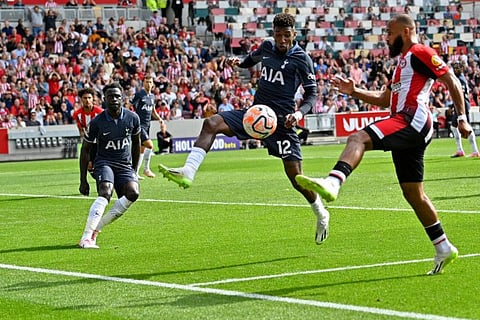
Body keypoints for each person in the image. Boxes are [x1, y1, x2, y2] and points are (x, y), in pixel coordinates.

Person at [295, 14, 473, 275]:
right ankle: (443, 247)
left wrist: (461, 118)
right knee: (413, 193)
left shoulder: (420, 52)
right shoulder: (402, 64)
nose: (386, 37)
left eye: (390, 32)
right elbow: (385, 99)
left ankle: (334, 181)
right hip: (404, 120)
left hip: (412, 119)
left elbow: (451, 80)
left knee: (357, 138)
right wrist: (354, 91)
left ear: (407, 30)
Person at [158, 13, 330, 245]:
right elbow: (252, 59)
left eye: (286, 35)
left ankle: (320, 213)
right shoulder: (267, 46)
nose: (281, 39)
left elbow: (312, 94)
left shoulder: (302, 59)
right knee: (211, 123)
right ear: (273, 33)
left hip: (281, 123)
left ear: (294, 35)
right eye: (278, 34)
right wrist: (239, 62)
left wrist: (298, 114)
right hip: (255, 115)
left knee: (297, 178)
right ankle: (189, 171)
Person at [78, 82, 141, 249]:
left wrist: (134, 171)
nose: (114, 99)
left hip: (124, 165)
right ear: (104, 99)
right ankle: (86, 237)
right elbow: (85, 150)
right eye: (110, 96)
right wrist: (83, 180)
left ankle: (96, 229)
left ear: (122, 99)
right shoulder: (97, 122)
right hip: (104, 162)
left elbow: (136, 145)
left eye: (117, 96)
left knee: (133, 193)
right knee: (105, 191)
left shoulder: (132, 118)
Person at [131, 74, 162, 179]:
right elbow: (130, 105)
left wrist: (160, 119)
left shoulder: (152, 97)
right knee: (150, 145)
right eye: (146, 82)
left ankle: (135, 172)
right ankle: (146, 169)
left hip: (147, 125)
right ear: (143, 83)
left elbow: (153, 111)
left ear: (153, 84)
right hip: (139, 125)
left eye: (150, 82)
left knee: (142, 149)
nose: (148, 84)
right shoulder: (139, 94)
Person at [449, 61, 479, 158]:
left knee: (467, 127)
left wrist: (456, 107)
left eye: (457, 68)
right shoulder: (459, 78)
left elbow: (460, 95)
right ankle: (460, 150)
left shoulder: (460, 79)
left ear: (461, 69)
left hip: (463, 106)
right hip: (460, 105)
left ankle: (475, 151)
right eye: (455, 67)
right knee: (454, 127)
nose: (455, 69)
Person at [72, 87, 104, 172]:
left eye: (89, 98)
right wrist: (83, 134)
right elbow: (80, 128)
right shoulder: (77, 114)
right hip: (89, 143)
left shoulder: (100, 112)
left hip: (100, 143)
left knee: (101, 165)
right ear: (81, 99)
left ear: (93, 99)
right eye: (85, 98)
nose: (87, 100)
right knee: (89, 166)